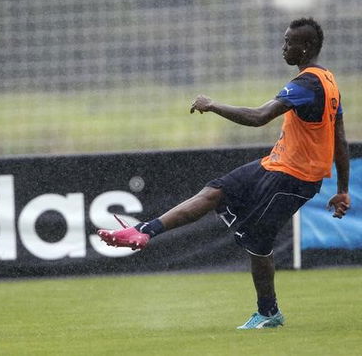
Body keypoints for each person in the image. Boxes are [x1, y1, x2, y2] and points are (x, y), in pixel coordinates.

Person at [97, 17, 351, 329]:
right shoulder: (328, 80)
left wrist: (212, 104)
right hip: (274, 164)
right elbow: (339, 137)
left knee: (257, 241)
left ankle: (269, 313)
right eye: (284, 41)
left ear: (307, 47)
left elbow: (259, 117)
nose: (283, 47)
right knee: (214, 192)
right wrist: (343, 189)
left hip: (296, 177)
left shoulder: (306, 84)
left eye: (289, 42)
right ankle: (144, 230)